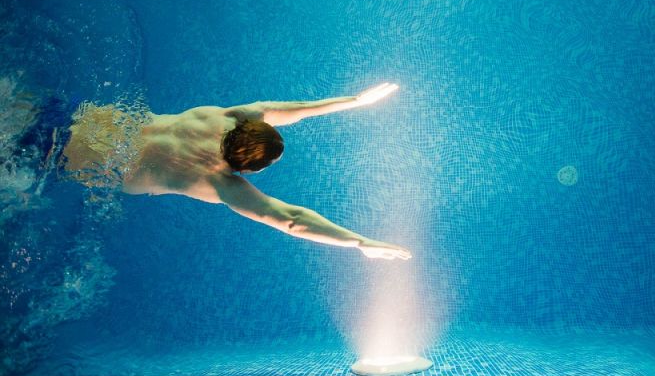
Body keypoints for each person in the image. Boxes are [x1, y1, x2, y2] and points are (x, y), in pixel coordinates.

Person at [60, 82, 412, 260]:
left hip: (83, 119)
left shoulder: (223, 117)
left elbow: (289, 109)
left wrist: (353, 101)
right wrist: (359, 242)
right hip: (68, 164)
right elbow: (291, 220)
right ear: (247, 171)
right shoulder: (218, 183)